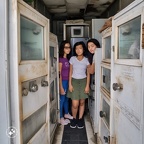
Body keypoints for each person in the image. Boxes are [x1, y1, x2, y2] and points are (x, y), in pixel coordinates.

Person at [68, 41, 90, 129]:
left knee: (82, 102)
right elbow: (70, 72)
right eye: (76, 48)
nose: (78, 50)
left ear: (83, 49)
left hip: (84, 81)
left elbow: (88, 73)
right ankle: (74, 118)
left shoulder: (86, 59)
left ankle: (80, 118)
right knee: (75, 103)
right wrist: (70, 84)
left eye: (80, 48)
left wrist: (87, 85)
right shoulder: (72, 59)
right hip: (74, 81)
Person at [59, 40, 73, 125]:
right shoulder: (60, 60)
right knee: (62, 99)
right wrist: (60, 86)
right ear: (62, 48)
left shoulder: (67, 59)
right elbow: (59, 74)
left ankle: (66, 113)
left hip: (68, 81)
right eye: (66, 47)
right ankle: (60, 117)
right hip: (63, 81)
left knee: (67, 98)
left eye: (69, 47)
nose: (68, 49)